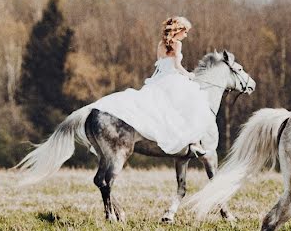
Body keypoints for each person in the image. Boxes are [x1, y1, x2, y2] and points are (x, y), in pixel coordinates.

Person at [89, 16, 210, 156]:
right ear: (178, 30)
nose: (186, 35)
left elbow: (160, 64)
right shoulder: (177, 44)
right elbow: (177, 66)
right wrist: (189, 75)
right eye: (185, 31)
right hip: (172, 78)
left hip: (159, 79)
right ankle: (193, 143)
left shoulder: (160, 44)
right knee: (192, 103)